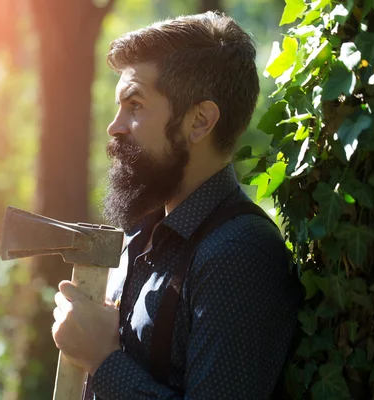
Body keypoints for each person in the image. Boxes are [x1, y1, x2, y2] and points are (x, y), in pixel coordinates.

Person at [51, 11, 302, 399]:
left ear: (199, 121)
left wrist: (101, 360)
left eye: (135, 105)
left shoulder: (239, 255)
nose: (114, 126)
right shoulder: (141, 232)